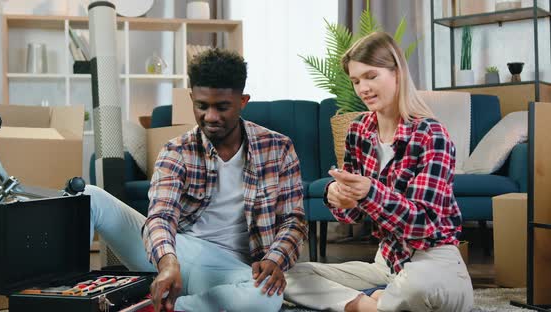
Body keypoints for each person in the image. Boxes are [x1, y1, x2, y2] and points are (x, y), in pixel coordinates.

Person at [85, 48, 307, 312]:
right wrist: (168, 262)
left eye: (222, 107)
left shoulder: (278, 148)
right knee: (87, 195)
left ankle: (156, 307)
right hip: (175, 255)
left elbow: (294, 220)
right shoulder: (177, 150)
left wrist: (275, 259)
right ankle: (67, 294)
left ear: (243, 101)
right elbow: (161, 217)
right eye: (201, 106)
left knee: (267, 298)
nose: (211, 117)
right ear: (192, 98)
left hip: (231, 268)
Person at [283, 32, 473, 312]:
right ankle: (370, 305)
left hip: (434, 261)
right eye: (356, 80)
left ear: (396, 72)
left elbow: (424, 224)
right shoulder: (358, 131)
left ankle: (383, 300)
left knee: (416, 287)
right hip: (387, 264)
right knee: (290, 276)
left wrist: (370, 193)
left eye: (371, 76)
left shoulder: (431, 134)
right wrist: (340, 197)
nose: (363, 88)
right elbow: (352, 215)